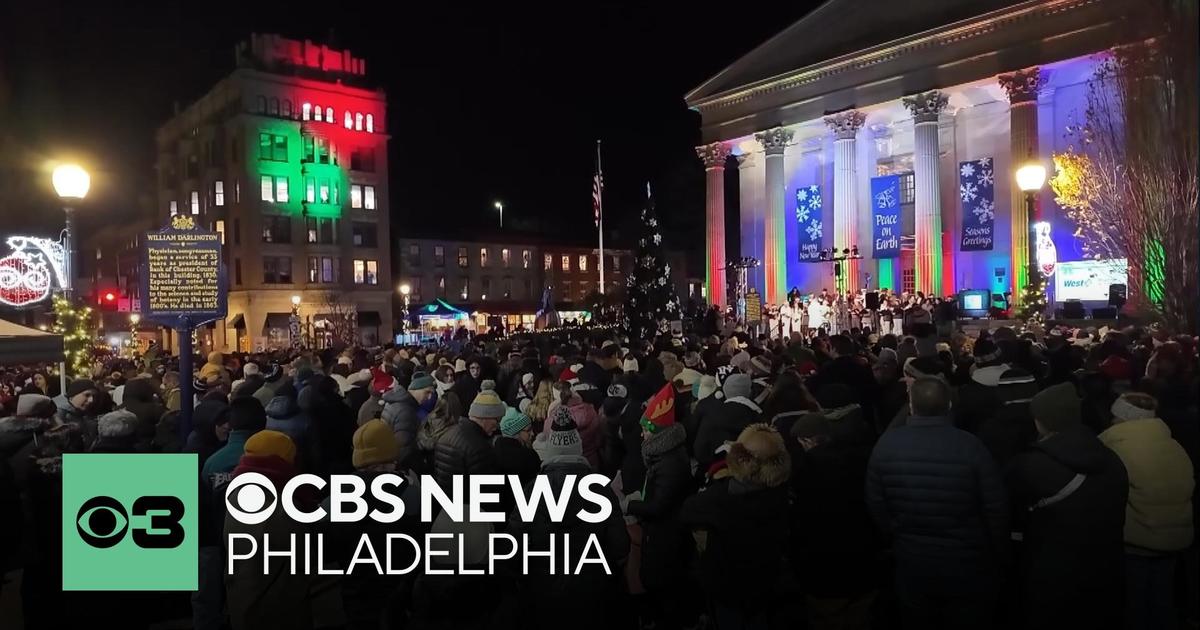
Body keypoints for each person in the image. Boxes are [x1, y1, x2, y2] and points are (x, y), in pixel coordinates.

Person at [866, 377, 1008, 629]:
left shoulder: (886, 446)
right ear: (949, 405)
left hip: (912, 556)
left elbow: (876, 502)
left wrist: (895, 533)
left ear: (911, 406)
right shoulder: (970, 446)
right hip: (967, 559)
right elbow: (995, 506)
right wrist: (994, 547)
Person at [1005, 382, 1128, 630]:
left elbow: (1008, 510)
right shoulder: (1111, 458)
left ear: (1041, 421)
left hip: (1051, 576)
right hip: (1105, 571)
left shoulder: (1030, 467)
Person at [224, 430, 339, 630]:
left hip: (243, 602)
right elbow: (306, 566)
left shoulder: (239, 493)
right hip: (277, 610)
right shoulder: (281, 507)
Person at [680, 423, 791, 630]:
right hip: (765, 584)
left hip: (726, 589)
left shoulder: (717, 502)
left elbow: (688, 511)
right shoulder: (782, 498)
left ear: (739, 459)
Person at [1099, 392, 1195, 630]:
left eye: (1114, 415)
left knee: (1135, 603)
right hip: (1174, 538)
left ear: (1124, 418)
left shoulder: (1117, 449)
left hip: (1135, 541)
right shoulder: (1174, 445)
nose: (1110, 420)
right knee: (1164, 600)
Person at [626, 383, 694, 630]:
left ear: (657, 432)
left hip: (666, 535)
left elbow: (658, 506)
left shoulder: (669, 462)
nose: (642, 434)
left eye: (646, 430)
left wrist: (631, 505)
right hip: (662, 532)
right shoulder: (665, 454)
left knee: (665, 584)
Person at [432, 381, 501, 489]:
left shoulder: (447, 433)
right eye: (497, 420)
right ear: (485, 417)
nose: (497, 426)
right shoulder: (479, 446)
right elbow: (484, 490)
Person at [693, 373, 760, 470]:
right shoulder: (758, 420)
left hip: (710, 472)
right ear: (749, 392)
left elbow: (700, 449)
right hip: (743, 474)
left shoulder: (710, 413)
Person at [382, 370, 436, 469]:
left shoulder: (395, 402)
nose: (429, 397)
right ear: (415, 389)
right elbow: (404, 450)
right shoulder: (406, 411)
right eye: (427, 392)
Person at [54, 379, 99, 445]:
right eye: (87, 395)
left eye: (94, 396)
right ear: (73, 395)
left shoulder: (84, 414)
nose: (91, 400)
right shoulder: (58, 416)